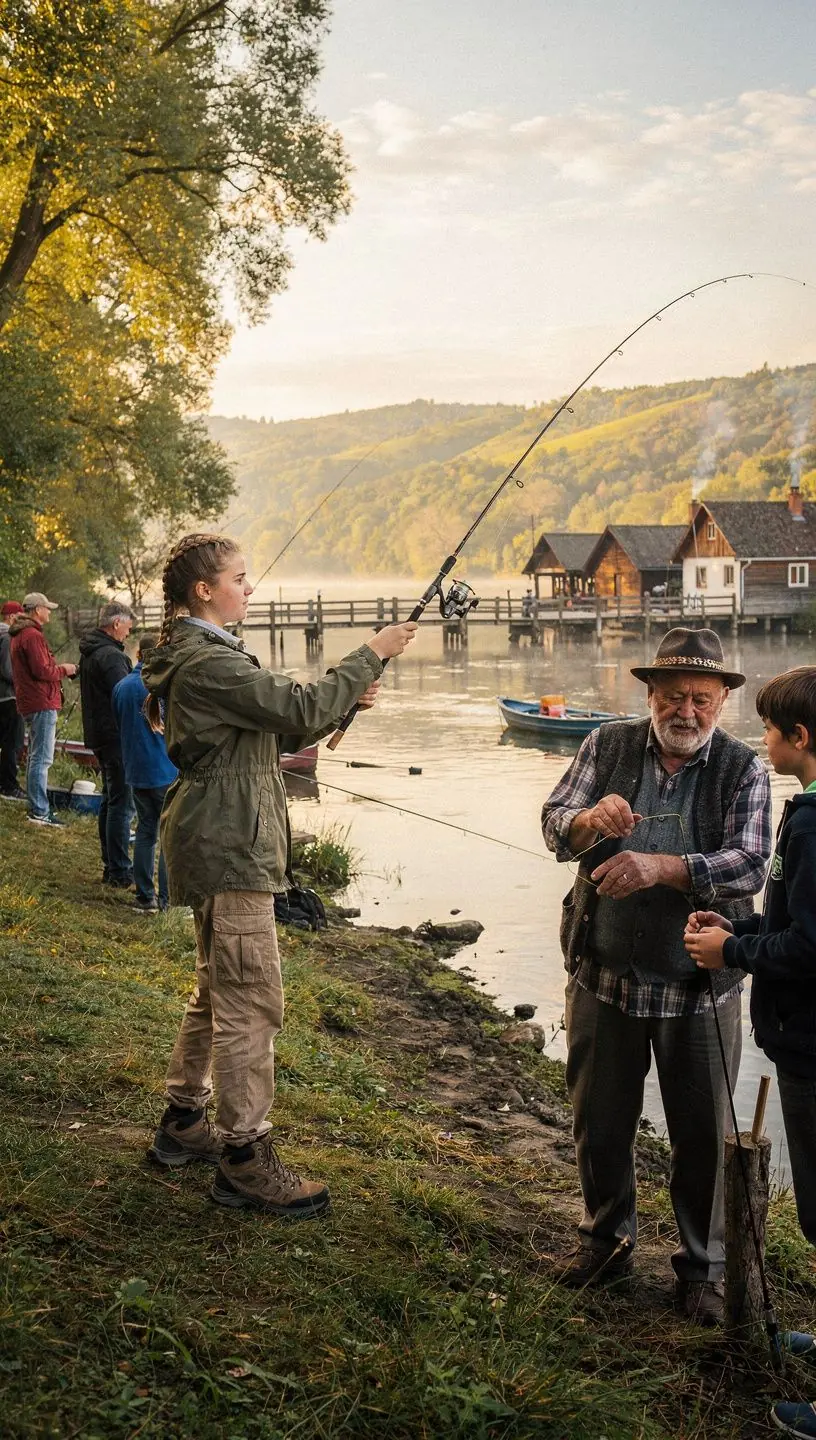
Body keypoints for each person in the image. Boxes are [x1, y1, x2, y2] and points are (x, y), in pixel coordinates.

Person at [141, 532, 418, 1218]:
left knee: (218, 988)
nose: (249, 587)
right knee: (250, 999)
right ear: (204, 590)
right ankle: (243, 1156)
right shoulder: (205, 659)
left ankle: (183, 1122)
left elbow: (272, 731)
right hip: (231, 841)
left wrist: (341, 701)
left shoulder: (206, 655)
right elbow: (296, 709)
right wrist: (369, 654)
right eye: (239, 577)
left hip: (226, 835)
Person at [541, 627, 771, 1324]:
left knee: (701, 1134)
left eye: (703, 699)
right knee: (600, 1121)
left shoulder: (744, 768)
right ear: (650, 695)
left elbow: (752, 862)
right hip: (602, 976)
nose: (688, 711)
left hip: (698, 989)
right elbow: (553, 825)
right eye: (675, 696)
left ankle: (701, 1268)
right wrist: (587, 822)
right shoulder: (604, 744)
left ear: (723, 702)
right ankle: (605, 1242)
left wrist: (665, 867)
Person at [685, 667, 816, 1435]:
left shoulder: (813, 826)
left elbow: (811, 947)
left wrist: (733, 953)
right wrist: (736, 935)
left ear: (799, 740)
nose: (760, 740)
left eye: (768, 728)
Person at [112, 632, 177, 914]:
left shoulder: (122, 687)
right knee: (169, 837)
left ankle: (144, 897)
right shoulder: (162, 687)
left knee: (146, 831)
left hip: (136, 772)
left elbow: (119, 726)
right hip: (164, 771)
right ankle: (166, 901)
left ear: (139, 654)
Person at [9, 592, 77, 827]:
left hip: (32, 702)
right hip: (41, 702)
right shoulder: (31, 635)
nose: (49, 611)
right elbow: (43, 671)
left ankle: (36, 806)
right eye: (47, 608)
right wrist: (65, 669)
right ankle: (39, 810)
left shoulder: (20, 634)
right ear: (37, 609)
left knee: (36, 757)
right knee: (42, 758)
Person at [79, 602, 135, 886]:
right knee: (122, 804)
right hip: (114, 737)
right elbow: (126, 698)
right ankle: (119, 872)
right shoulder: (111, 657)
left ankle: (110, 866)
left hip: (99, 735)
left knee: (110, 799)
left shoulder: (91, 651)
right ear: (116, 624)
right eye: (128, 626)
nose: (129, 631)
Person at [0, 601, 26, 799]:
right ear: (11, 617)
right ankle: (9, 786)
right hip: (9, 698)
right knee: (13, 743)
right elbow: (8, 671)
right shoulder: (8, 636)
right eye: (20, 615)